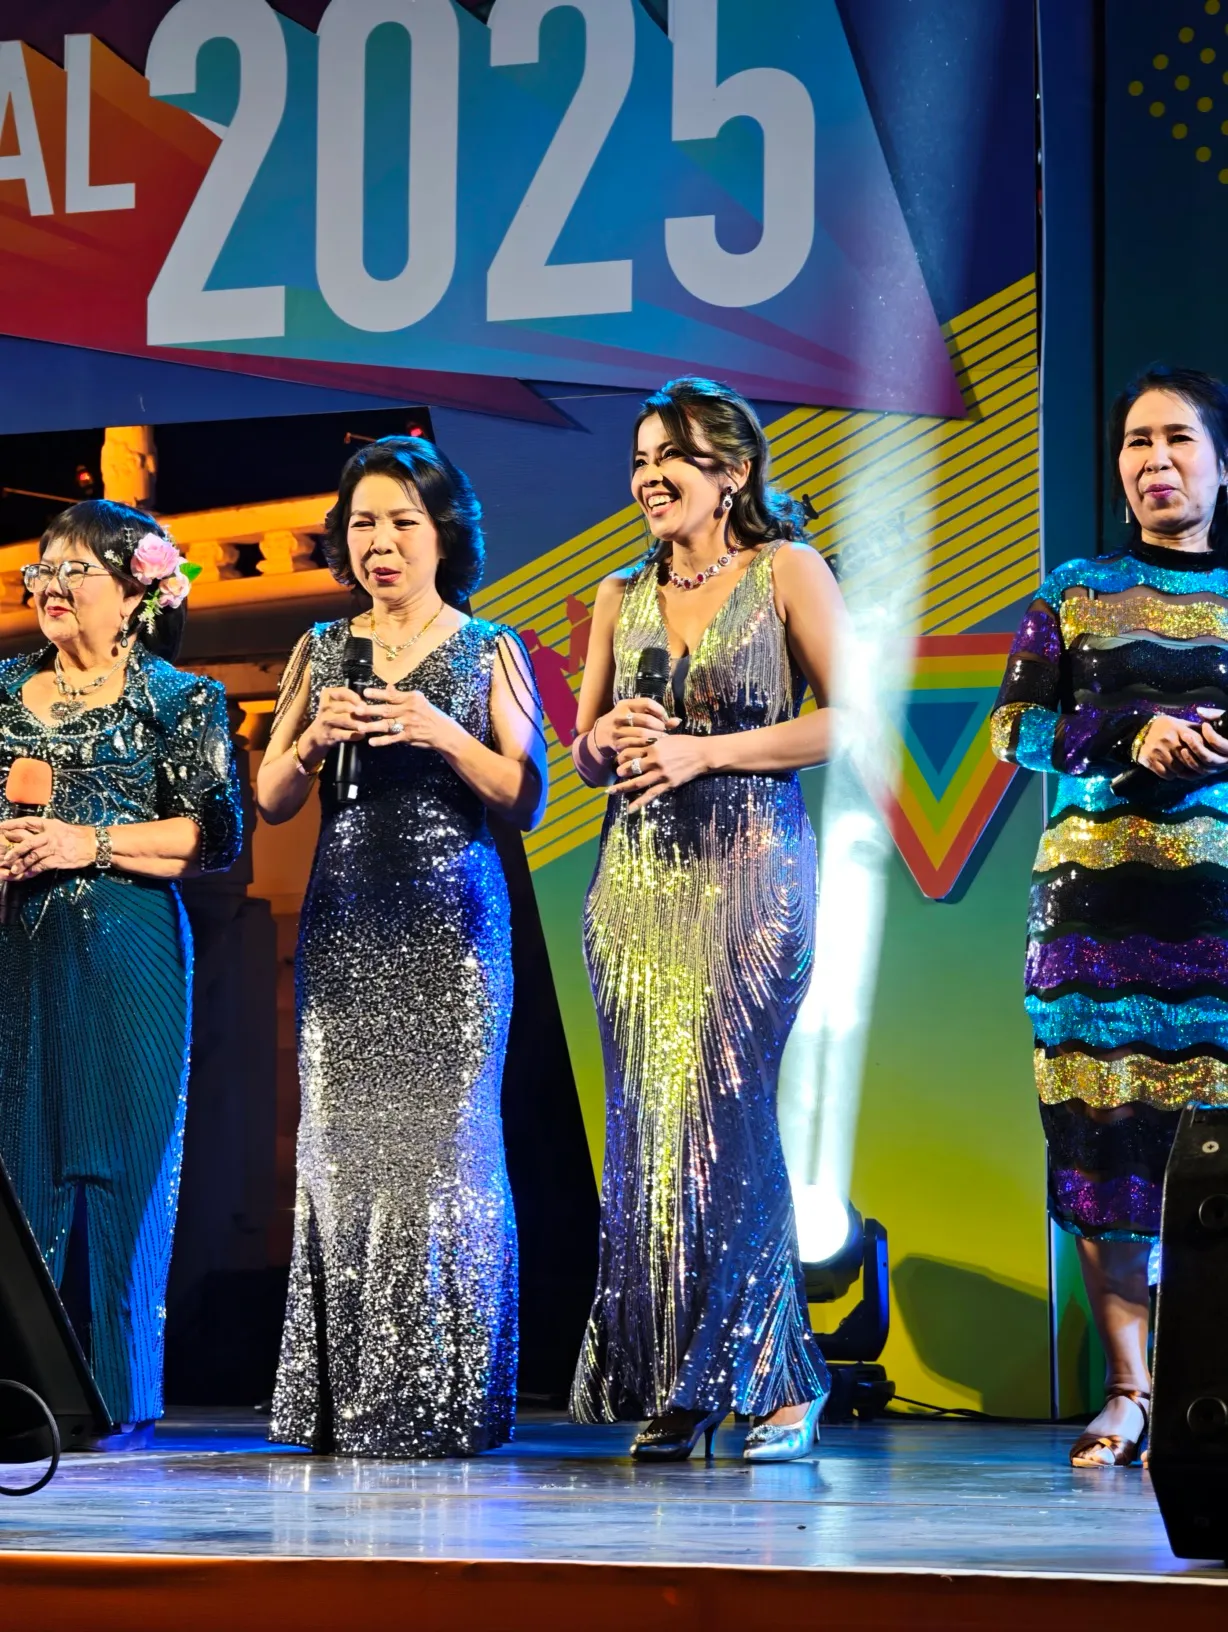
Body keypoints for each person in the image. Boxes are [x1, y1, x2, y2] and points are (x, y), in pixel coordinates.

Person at [568, 377, 843, 1462]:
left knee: (724, 1118)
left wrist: (706, 749)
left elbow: (846, 717)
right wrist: (613, 738)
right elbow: (583, 747)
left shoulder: (785, 572)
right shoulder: (615, 594)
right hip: (633, 884)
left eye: (669, 455)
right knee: (650, 1134)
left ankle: (777, 1378)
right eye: (638, 457)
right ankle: (684, 1378)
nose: (647, 476)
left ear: (731, 471)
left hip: (748, 871)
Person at [260, 436, 546, 1458]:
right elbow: (270, 798)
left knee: (447, 1157)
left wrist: (438, 731)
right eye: (363, 524)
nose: (380, 544)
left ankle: (443, 1400)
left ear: (443, 534)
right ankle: (348, 1404)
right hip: (346, 922)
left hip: (452, 930)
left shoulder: (490, 647)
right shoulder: (319, 650)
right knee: (343, 1157)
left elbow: (525, 794)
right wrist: (307, 741)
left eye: (402, 523)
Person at [991, 365, 1228, 1467]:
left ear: (1219, 461)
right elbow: (1012, 734)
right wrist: (1126, 737)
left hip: (1219, 917)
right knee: (1104, 1142)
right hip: (1093, 922)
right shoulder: (1076, 590)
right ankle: (1131, 1389)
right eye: (1135, 441)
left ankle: (1210, 1381)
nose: (1153, 461)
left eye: (1176, 439)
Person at [0, 500, 241, 1439]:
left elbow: (211, 836)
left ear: (138, 590)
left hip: (133, 948)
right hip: (21, 950)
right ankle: (26, 1393)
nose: (52, 590)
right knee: (22, 1162)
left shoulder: (181, 700)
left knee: (127, 1168)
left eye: (76, 572)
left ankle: (115, 1400)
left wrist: (84, 841)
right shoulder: (1, 690)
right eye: (40, 572)